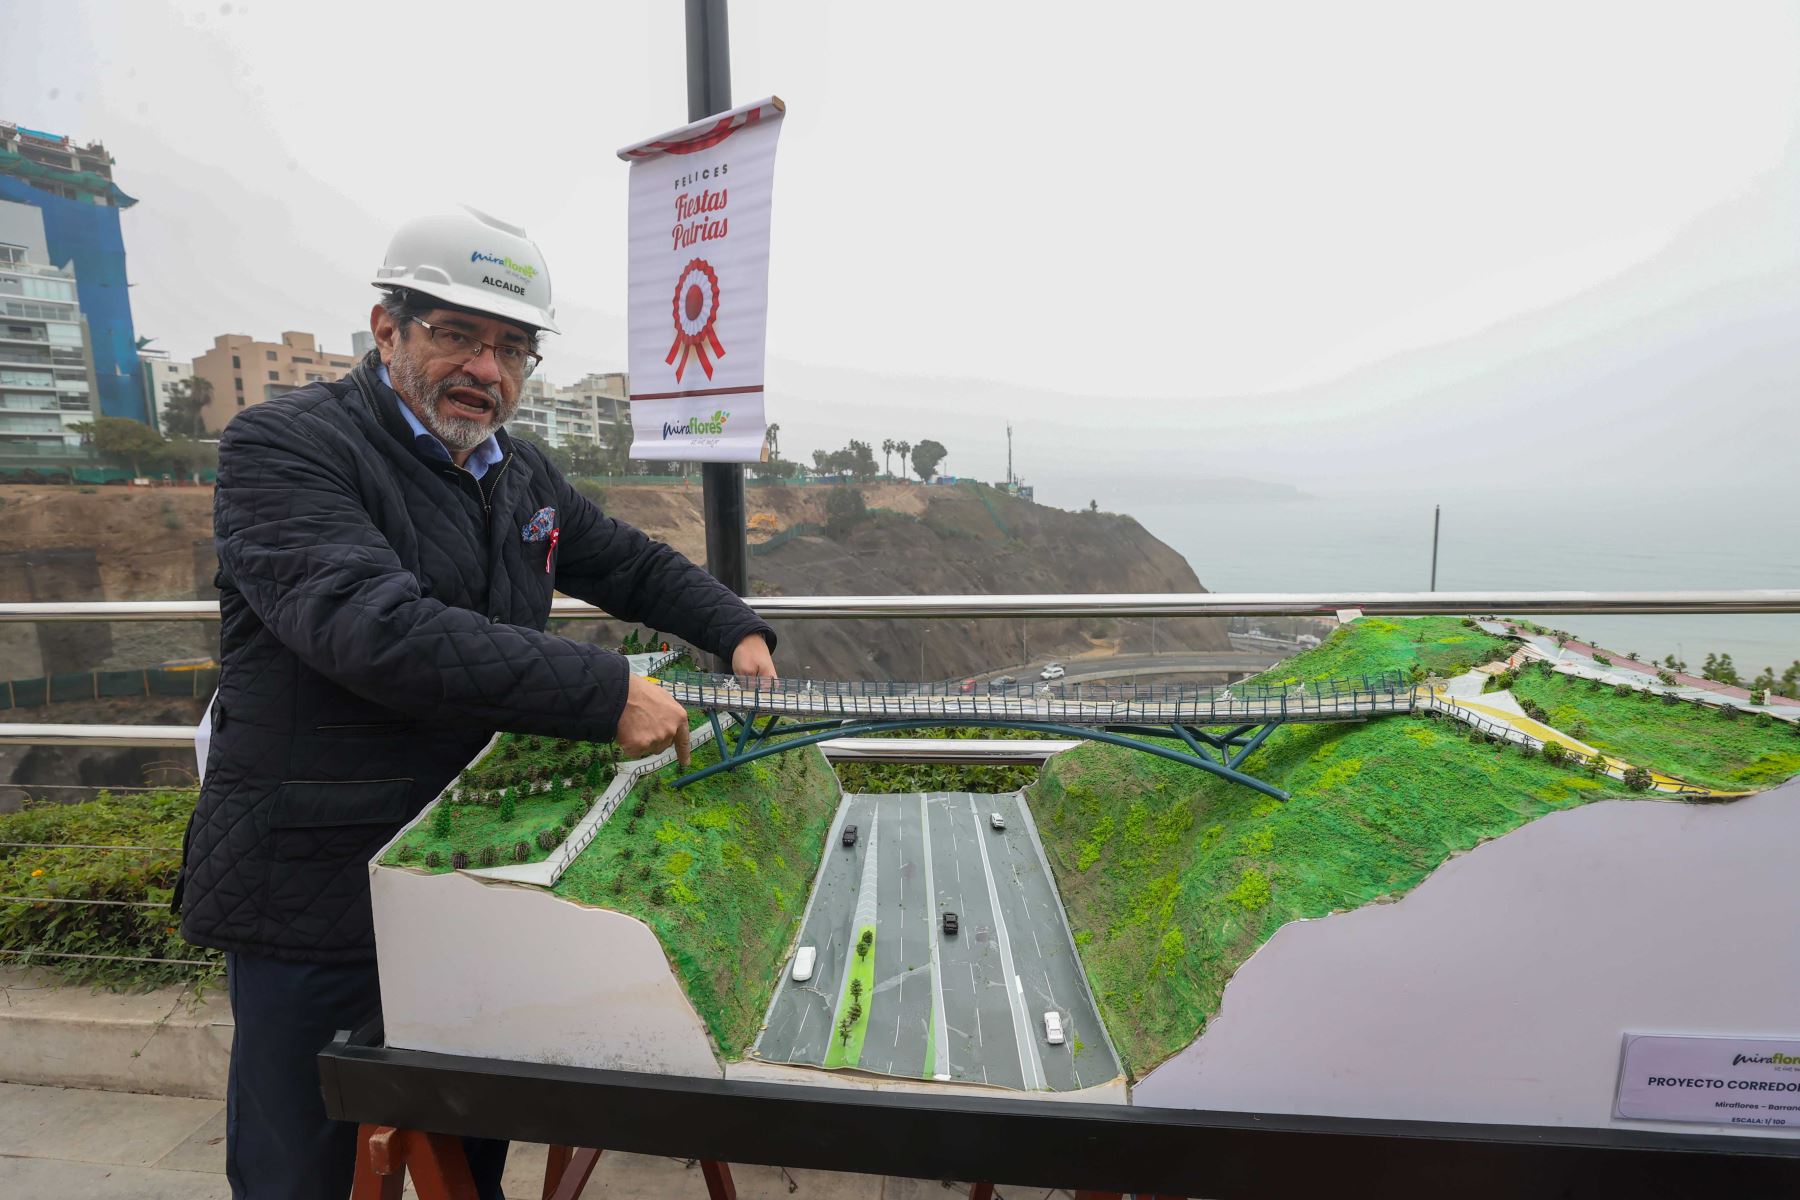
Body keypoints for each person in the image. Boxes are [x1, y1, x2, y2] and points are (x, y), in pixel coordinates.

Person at [174, 208, 777, 1200]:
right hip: (318, 882)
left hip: (466, 872)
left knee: (467, 1151)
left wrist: (735, 626)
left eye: (510, 348)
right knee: (304, 1167)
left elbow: (623, 560)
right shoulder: (285, 448)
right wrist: (603, 691)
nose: (485, 370)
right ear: (388, 329)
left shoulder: (517, 469)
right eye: (455, 334)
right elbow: (375, 628)